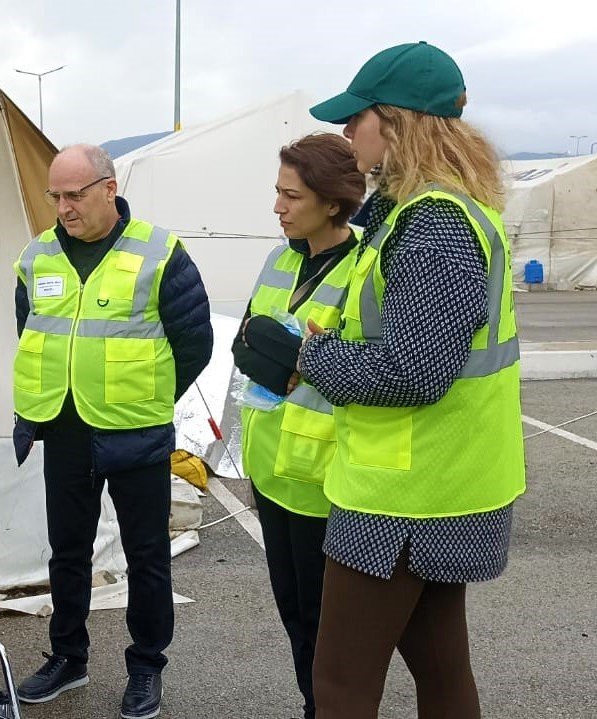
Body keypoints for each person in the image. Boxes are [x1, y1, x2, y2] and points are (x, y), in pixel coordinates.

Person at [300, 42, 526, 719]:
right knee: (440, 665)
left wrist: (313, 358)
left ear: (396, 122)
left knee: (340, 683)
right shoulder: (438, 211)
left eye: (356, 118)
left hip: (405, 494)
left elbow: (413, 370)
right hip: (442, 483)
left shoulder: (435, 224)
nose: (346, 133)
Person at [11, 144, 213, 719]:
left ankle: (146, 666)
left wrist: (144, 395)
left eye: (75, 195)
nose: (64, 208)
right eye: (56, 196)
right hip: (64, 429)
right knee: (67, 552)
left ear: (109, 188)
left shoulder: (159, 253)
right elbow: (30, 331)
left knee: (147, 557)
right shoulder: (37, 256)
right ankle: (67, 657)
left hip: (135, 432)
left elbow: (195, 343)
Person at [231, 133, 365, 719]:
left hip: (322, 477)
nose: (278, 207)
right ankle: (314, 704)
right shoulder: (278, 259)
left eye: (292, 196)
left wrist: (290, 357)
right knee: (293, 613)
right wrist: (290, 361)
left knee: (327, 621)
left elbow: (358, 369)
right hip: (269, 468)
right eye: (278, 192)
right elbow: (244, 343)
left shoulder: (363, 269)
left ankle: (327, 708)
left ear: (333, 202)